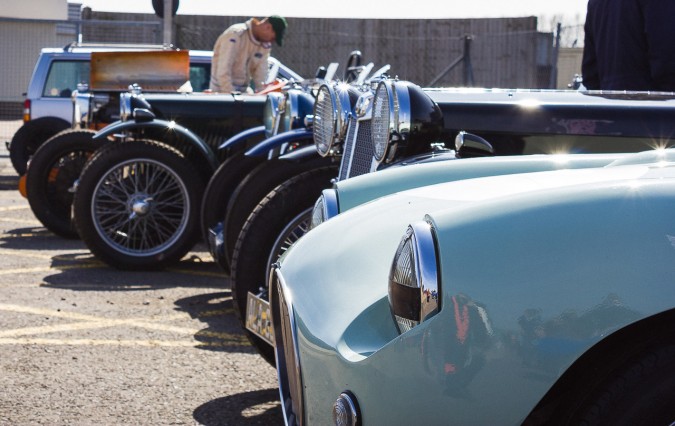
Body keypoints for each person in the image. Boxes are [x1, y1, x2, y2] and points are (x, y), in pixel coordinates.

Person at [582, 0, 675, 91]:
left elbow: (590, 74)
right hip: (655, 101)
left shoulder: (595, 3)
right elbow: (667, 57)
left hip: (608, 100)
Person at [209, 16, 287, 94]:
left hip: (243, 92)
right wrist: (231, 94)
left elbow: (261, 76)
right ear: (267, 27)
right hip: (221, 93)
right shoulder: (235, 34)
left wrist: (265, 92)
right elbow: (223, 71)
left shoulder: (264, 46)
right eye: (272, 38)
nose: (271, 42)